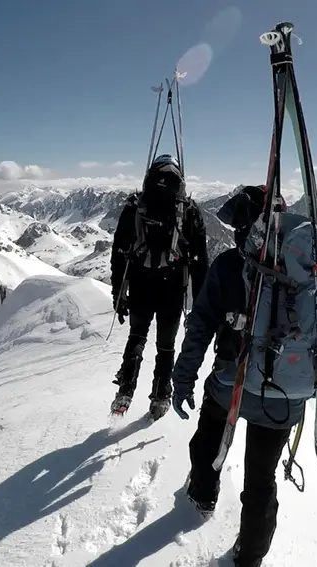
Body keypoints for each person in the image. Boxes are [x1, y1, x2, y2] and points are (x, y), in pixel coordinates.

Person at [168, 184, 317, 567]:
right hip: (284, 396)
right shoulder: (310, 274)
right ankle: (248, 558)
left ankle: (201, 497)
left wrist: (183, 378)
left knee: (208, 443)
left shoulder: (231, 267)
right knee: (261, 482)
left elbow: (200, 325)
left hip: (230, 386)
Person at [109, 153, 210, 420]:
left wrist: (118, 292)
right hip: (173, 287)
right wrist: (201, 303)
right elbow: (201, 261)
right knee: (166, 346)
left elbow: (119, 251)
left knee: (136, 338)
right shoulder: (188, 209)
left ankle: (124, 391)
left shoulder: (136, 205)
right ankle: (160, 397)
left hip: (141, 283)